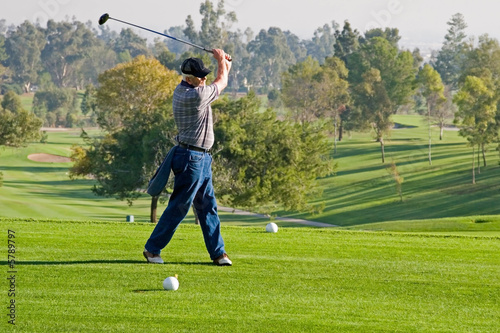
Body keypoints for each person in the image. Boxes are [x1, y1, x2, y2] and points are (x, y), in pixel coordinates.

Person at [143, 49, 232, 266]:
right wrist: (221, 60)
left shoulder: (185, 90)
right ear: (189, 79)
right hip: (192, 159)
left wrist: (225, 63)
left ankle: (219, 254)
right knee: (180, 205)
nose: (205, 79)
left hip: (200, 158)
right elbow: (222, 82)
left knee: (207, 206)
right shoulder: (195, 96)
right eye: (201, 77)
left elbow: (221, 78)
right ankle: (152, 249)